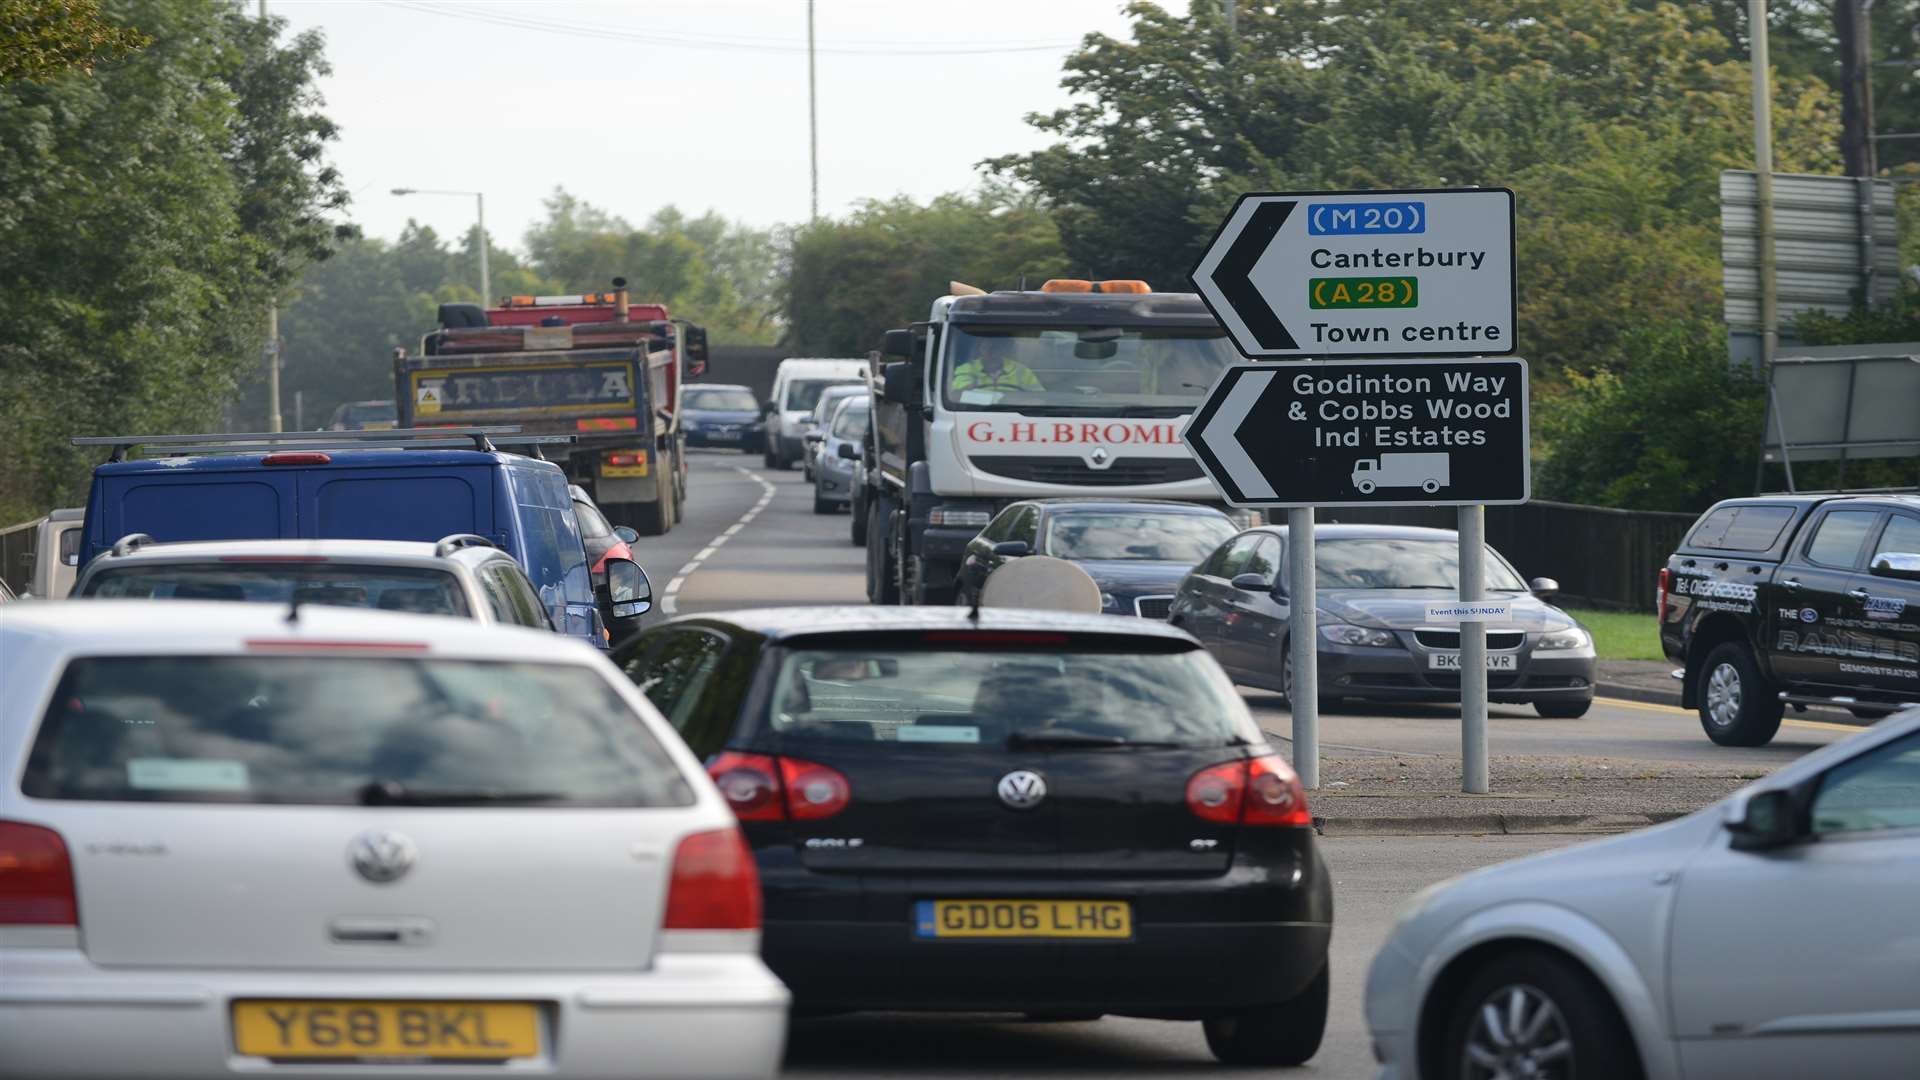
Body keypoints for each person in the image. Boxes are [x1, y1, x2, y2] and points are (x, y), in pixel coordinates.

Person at [950, 337, 1044, 393]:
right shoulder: (966, 369)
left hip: (1015, 415)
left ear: (1002, 350)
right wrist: (999, 399)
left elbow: (1039, 397)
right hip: (976, 413)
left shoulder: (1022, 371)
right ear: (980, 350)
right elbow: (960, 395)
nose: (991, 352)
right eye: (987, 348)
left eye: (995, 348)